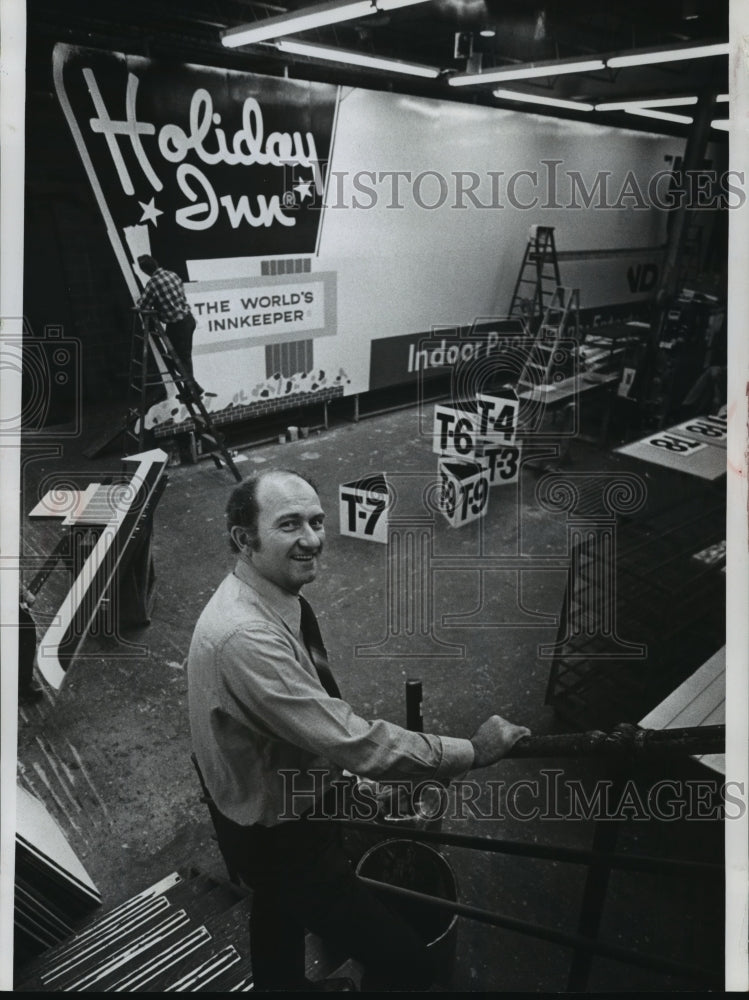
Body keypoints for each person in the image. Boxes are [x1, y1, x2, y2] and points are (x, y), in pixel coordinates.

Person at [187, 469, 530, 991]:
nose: (312, 539)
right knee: (408, 963)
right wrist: (473, 752)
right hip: (283, 834)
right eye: (288, 525)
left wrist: (342, 781)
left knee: (276, 911)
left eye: (316, 521)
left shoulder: (266, 599)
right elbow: (352, 739)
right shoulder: (246, 637)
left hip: (256, 805)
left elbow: (306, 717)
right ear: (245, 539)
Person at [135, 255, 203, 398]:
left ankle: (193, 388)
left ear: (145, 271)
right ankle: (191, 389)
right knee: (183, 357)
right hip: (188, 319)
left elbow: (142, 305)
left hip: (177, 325)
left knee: (177, 358)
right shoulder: (173, 275)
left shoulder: (153, 283)